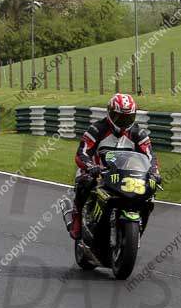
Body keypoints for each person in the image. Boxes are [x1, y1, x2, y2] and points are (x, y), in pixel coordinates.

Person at [67, 93, 161, 241]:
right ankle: (77, 218)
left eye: (128, 118)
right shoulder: (97, 130)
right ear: (110, 113)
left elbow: (151, 157)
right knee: (84, 181)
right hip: (100, 174)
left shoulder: (138, 133)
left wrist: (154, 172)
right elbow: (82, 153)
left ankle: (138, 227)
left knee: (150, 192)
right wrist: (91, 166)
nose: (123, 122)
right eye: (119, 117)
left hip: (126, 176)